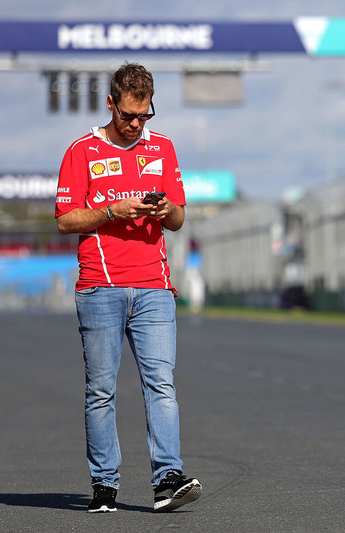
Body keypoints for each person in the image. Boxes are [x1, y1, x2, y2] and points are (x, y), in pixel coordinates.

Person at [54, 62, 201, 514]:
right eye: (128, 116)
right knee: (101, 390)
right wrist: (113, 211)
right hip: (100, 287)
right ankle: (104, 485)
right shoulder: (82, 150)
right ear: (111, 104)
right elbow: (64, 220)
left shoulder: (163, 148)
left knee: (161, 383)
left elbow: (178, 218)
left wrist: (163, 210)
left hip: (154, 286)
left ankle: (166, 480)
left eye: (145, 115)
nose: (136, 124)